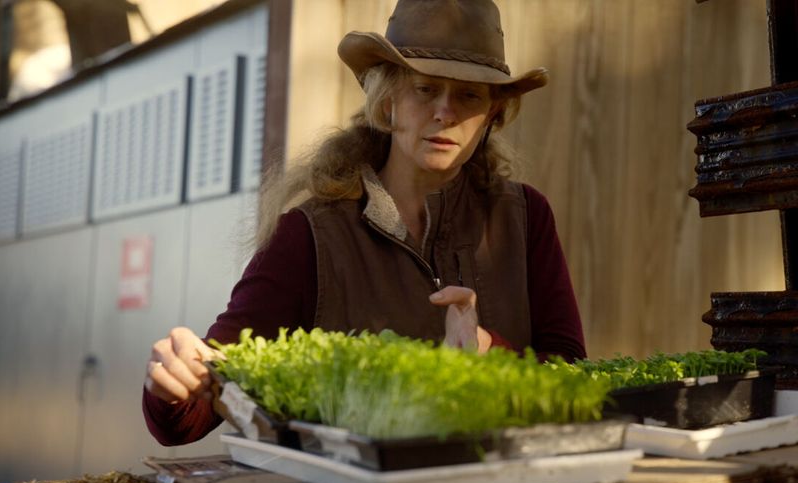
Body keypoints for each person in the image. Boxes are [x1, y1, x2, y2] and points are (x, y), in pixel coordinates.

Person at [143, 0, 586, 446]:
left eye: (469, 94)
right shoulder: (310, 235)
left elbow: (574, 378)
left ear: (492, 113)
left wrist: (487, 351)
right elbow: (194, 413)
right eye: (426, 89)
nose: (445, 113)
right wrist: (175, 382)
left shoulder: (526, 217)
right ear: (387, 100)